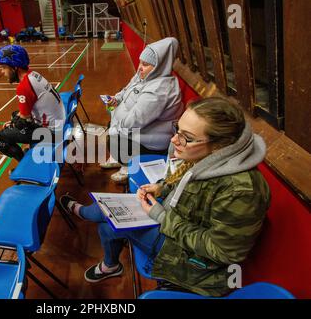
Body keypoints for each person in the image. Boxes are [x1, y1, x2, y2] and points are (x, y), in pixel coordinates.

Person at [61, 98, 271, 297]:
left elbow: (223, 252)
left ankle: (85, 218)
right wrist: (162, 187)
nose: (173, 140)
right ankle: (104, 250)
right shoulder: (206, 155)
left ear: (219, 146)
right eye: (177, 130)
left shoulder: (242, 191)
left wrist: (162, 217)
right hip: (175, 221)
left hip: (196, 263)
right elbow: (185, 183)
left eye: (186, 137)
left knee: (106, 222)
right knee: (108, 220)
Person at [101, 37, 184, 183]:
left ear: (160, 66)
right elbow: (126, 90)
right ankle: (121, 160)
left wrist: (114, 110)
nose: (140, 67)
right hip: (141, 129)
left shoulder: (159, 91)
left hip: (152, 141)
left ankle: (127, 167)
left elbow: (131, 122)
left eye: (145, 64)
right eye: (140, 62)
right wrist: (117, 99)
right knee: (112, 127)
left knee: (116, 138)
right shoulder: (144, 76)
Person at [0, 45, 65, 161]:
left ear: (15, 67)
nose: (2, 72)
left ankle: (24, 163)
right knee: (14, 115)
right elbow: (24, 115)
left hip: (52, 133)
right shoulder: (33, 74)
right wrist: (14, 121)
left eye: (4, 67)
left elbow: (24, 121)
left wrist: (12, 124)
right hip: (59, 123)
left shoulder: (24, 87)